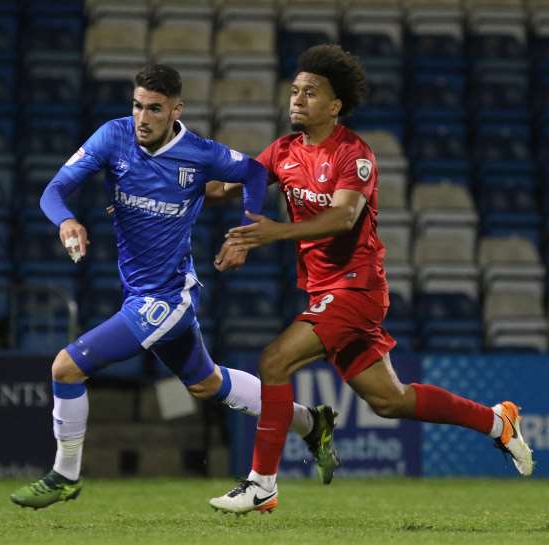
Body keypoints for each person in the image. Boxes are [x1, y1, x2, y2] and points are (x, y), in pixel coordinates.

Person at [206, 44, 534, 515]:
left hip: (356, 287)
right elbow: (222, 187)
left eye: (310, 92)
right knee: (390, 400)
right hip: (325, 289)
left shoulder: (353, 154)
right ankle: (496, 422)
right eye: (295, 90)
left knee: (275, 360)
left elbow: (343, 218)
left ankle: (262, 485)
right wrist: (168, 178)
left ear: (335, 105)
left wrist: (274, 232)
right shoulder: (283, 151)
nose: (297, 99)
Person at [9, 64, 339, 510]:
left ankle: (64, 476)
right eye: (137, 106)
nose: (143, 118)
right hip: (139, 292)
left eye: (155, 109)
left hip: (167, 297)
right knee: (207, 384)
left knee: (66, 368)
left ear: (175, 110)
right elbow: (55, 189)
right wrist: (66, 219)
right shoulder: (113, 136)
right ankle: (309, 423)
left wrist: (246, 231)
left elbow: (255, 174)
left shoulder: (200, 154)